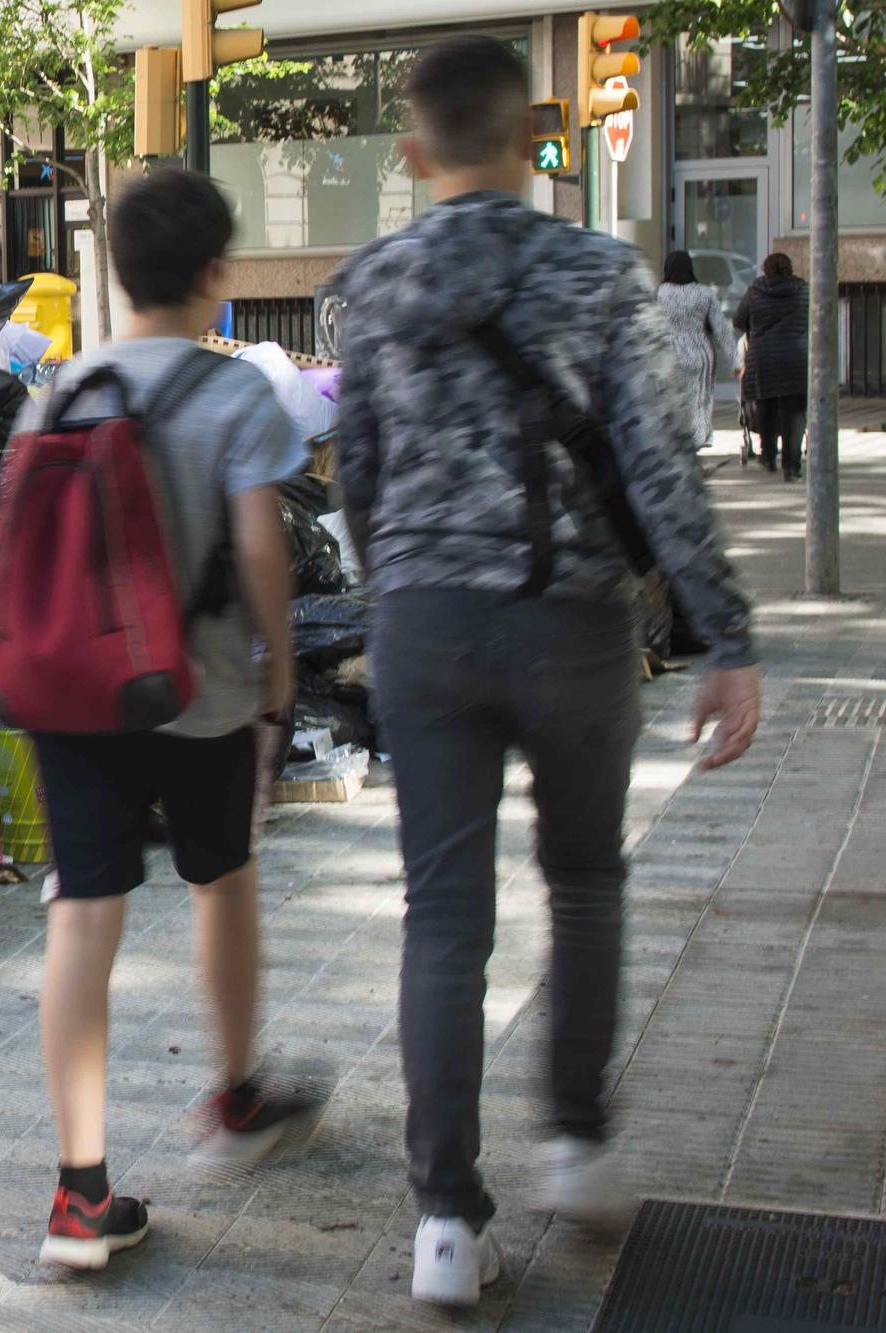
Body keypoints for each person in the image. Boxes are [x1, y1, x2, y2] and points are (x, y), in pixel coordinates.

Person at [332, 36, 762, 1308]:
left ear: (412, 153)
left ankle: (446, 1224)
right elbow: (657, 467)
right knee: (581, 885)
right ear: (533, 140)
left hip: (421, 622)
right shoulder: (598, 273)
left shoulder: (369, 284)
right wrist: (724, 635)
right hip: (570, 624)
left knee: (442, 915)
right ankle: (575, 1146)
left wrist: (393, 585)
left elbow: (354, 471)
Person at [16, 168, 321, 1271]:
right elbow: (256, 551)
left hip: (73, 694)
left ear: (113, 271)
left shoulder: (55, 388)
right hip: (196, 693)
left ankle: (79, 1196)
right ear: (212, 278)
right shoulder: (234, 393)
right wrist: (276, 673)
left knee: (81, 915)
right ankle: (236, 1094)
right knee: (222, 879)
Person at [734, 251, 810, 481]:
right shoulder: (804, 290)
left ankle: (768, 458)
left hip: (763, 359)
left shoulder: (755, 291)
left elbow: (738, 320)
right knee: (794, 414)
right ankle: (792, 465)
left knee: (765, 407)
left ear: (765, 270)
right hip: (795, 359)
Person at [656, 250, 732, 448]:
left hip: (668, 354)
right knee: (700, 399)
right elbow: (722, 329)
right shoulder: (704, 293)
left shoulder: (659, 294)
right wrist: (737, 360)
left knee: (670, 399)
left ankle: (675, 440)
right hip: (700, 354)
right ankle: (697, 438)